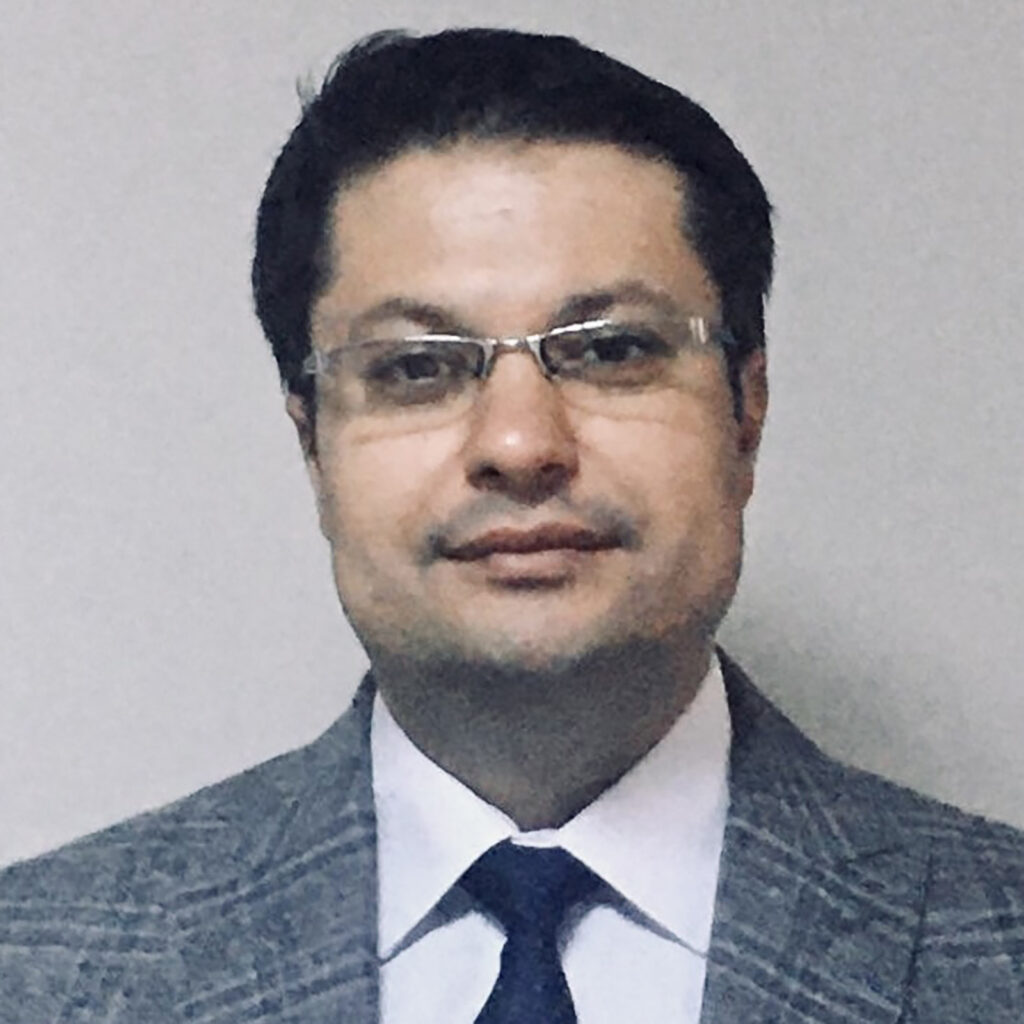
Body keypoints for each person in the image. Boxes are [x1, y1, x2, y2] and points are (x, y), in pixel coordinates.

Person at [1, 27, 1021, 1024]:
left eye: (611, 350)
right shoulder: (35, 967)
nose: (521, 443)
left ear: (744, 413)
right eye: (416, 367)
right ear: (312, 443)